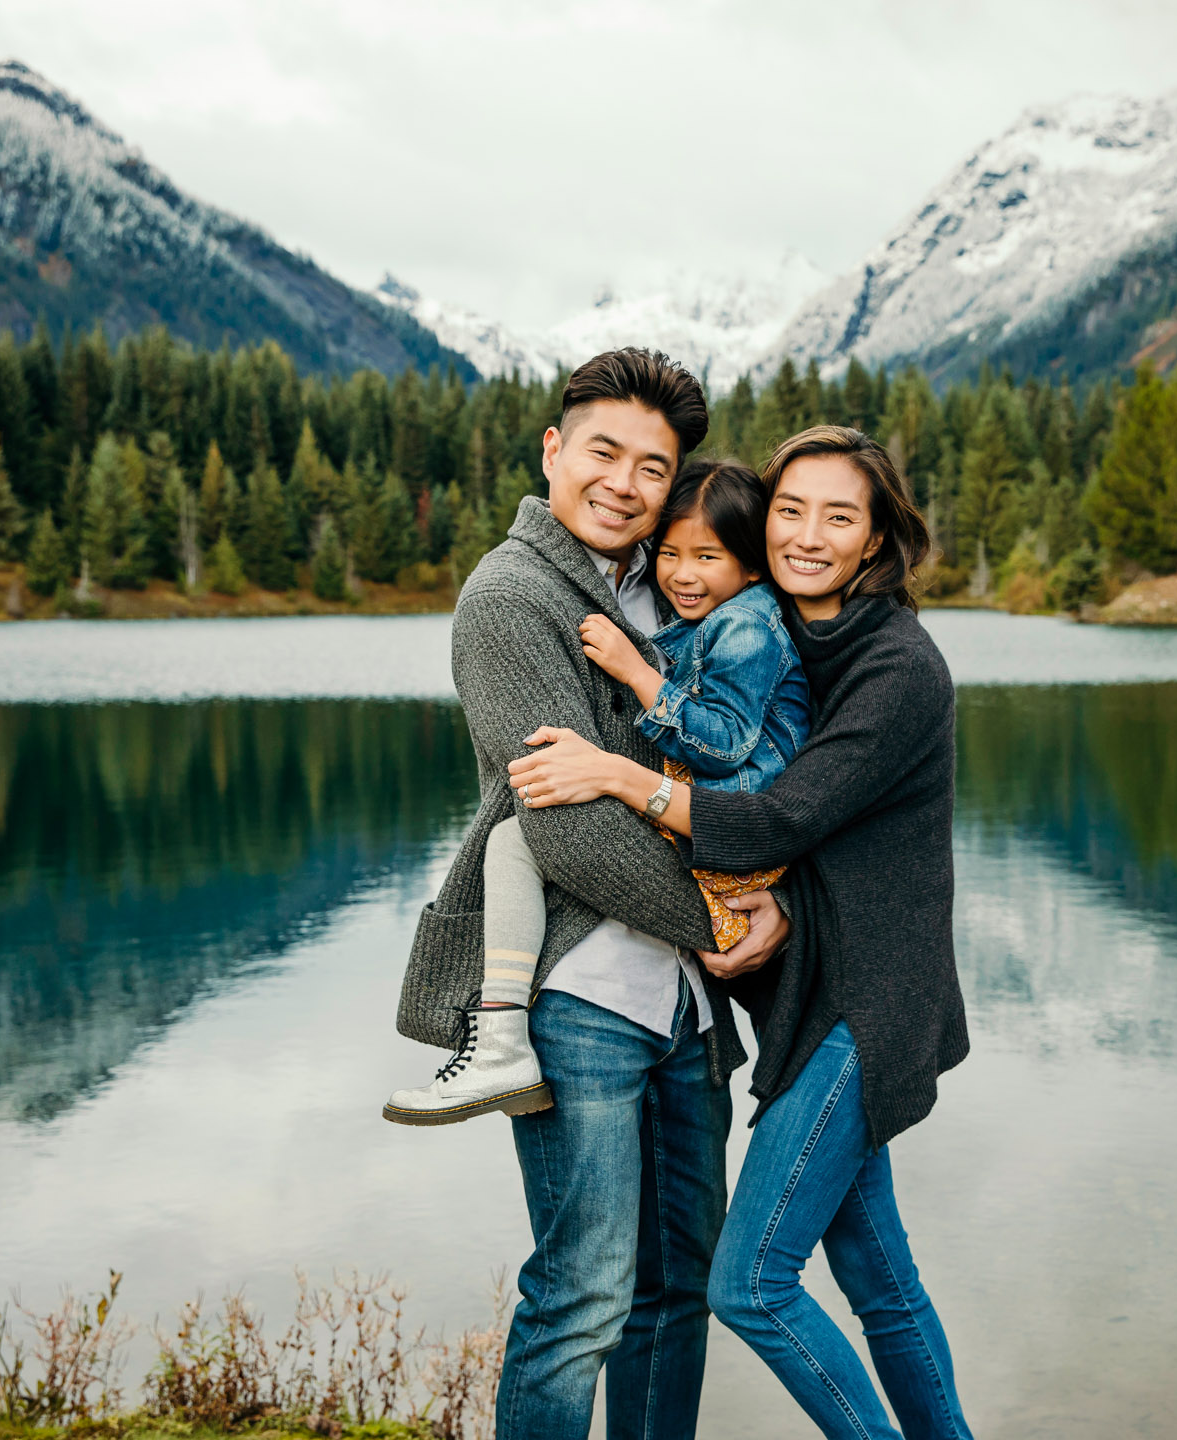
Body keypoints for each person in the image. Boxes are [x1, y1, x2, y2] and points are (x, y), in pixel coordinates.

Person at [507, 425, 974, 1439]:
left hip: (865, 1004)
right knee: (877, 1274)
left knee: (750, 1284)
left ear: (876, 538)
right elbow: (821, 834)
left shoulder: (896, 667)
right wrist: (785, 904)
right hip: (814, 993)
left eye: (838, 517)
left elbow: (784, 818)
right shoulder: (794, 632)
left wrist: (619, 775)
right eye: (790, 512)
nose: (808, 536)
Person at [389, 349, 791, 1440]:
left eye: (653, 467)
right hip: (579, 1000)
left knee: (679, 1290)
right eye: (605, 452)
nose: (624, 482)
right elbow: (561, 829)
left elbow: (742, 755)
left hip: (684, 1013)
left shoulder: (673, 586)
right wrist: (713, 919)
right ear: (554, 450)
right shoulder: (510, 597)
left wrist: (773, 900)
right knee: (582, 1298)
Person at [386, 458, 809, 1124]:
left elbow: (721, 740)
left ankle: (498, 1034)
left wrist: (637, 675)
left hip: (732, 836)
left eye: (706, 555)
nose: (682, 572)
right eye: (670, 553)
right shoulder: (541, 592)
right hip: (712, 851)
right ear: (554, 451)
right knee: (514, 838)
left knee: (515, 837)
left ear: (752, 565)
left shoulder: (748, 625)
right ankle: (498, 1031)